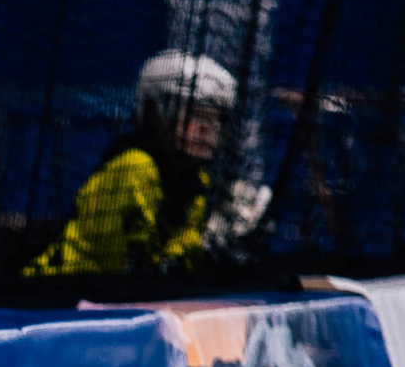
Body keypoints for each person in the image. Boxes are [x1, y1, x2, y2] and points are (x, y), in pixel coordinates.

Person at [25, 50, 271, 276]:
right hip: (60, 294)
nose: (208, 129)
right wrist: (205, 244)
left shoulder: (195, 179)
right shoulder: (134, 166)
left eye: (216, 119)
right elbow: (135, 267)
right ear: (156, 114)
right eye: (195, 115)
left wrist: (223, 237)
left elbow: (171, 261)